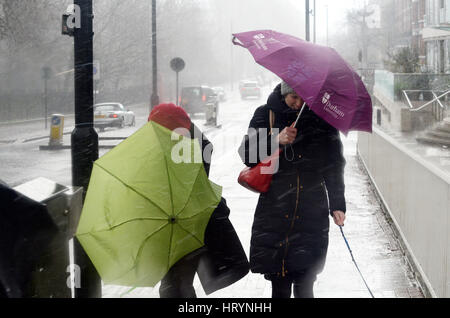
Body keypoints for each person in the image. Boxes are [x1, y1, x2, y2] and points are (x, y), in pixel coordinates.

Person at [238, 82, 346, 298]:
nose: (298, 103)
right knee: (279, 280)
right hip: (276, 211)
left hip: (311, 211)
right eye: (293, 97)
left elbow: (333, 165)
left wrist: (337, 204)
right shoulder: (266, 114)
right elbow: (246, 153)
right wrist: (275, 140)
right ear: (284, 94)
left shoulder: (323, 121)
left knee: (306, 281)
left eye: (304, 98)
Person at [148, 103, 249, 298]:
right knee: (178, 282)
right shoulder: (191, 140)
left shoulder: (182, 147)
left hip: (183, 226)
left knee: (174, 284)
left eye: (156, 130)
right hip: (182, 226)